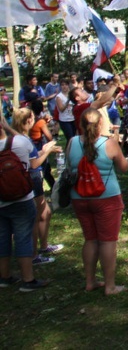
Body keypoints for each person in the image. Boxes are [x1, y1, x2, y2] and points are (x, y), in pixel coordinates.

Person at [68, 108, 128, 295]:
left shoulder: (72, 142)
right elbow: (124, 167)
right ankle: (110, 285)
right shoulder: (108, 143)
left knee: (90, 239)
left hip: (79, 196)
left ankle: (90, 281)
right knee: (107, 241)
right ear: (101, 124)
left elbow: (70, 164)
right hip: (106, 197)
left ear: (81, 124)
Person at [0, 118, 52, 292]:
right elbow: (33, 157)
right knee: (23, 238)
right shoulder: (19, 142)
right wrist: (8, 128)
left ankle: (5, 277)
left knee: (3, 238)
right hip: (22, 198)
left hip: (1, 201)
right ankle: (28, 279)